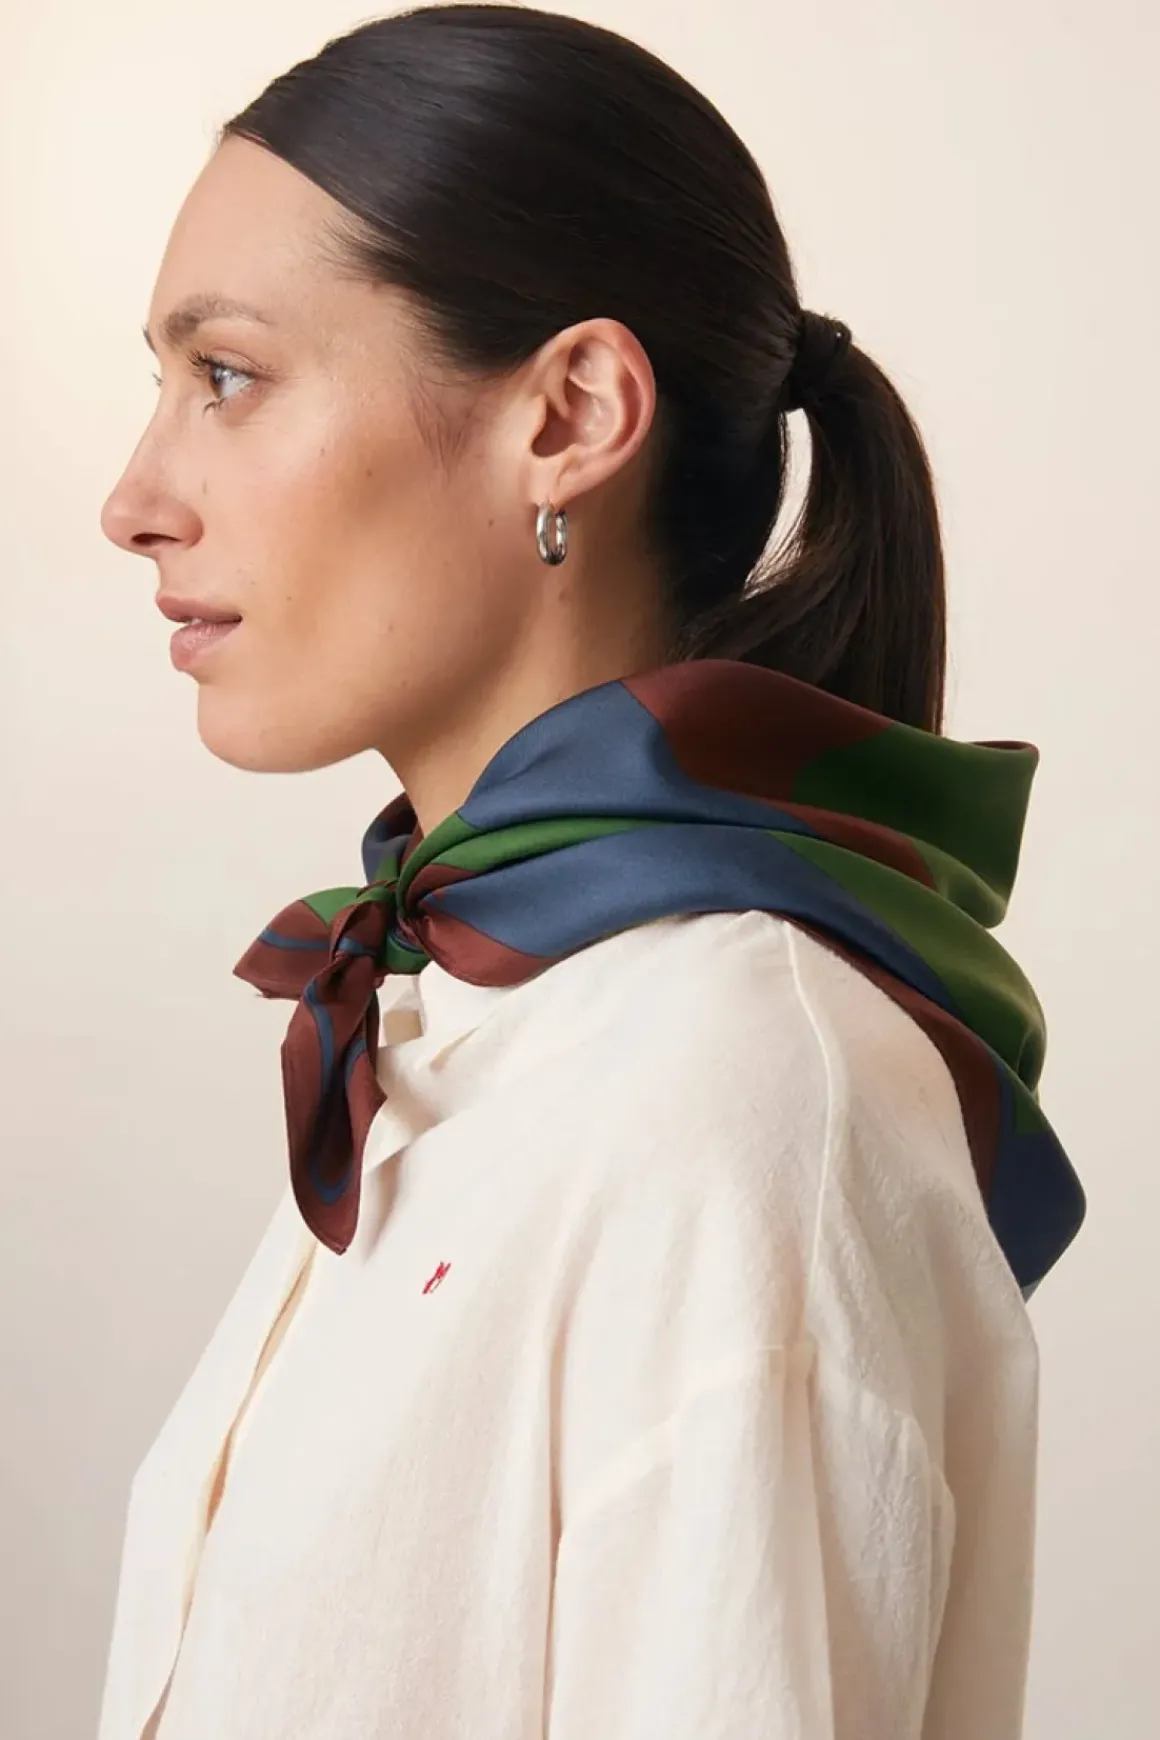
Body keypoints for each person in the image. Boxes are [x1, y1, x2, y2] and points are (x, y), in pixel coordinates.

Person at [96, 6, 1084, 1738]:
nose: (135, 497)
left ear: (569, 416)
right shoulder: (483, 1028)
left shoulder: (734, 1098)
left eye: (228, 378)